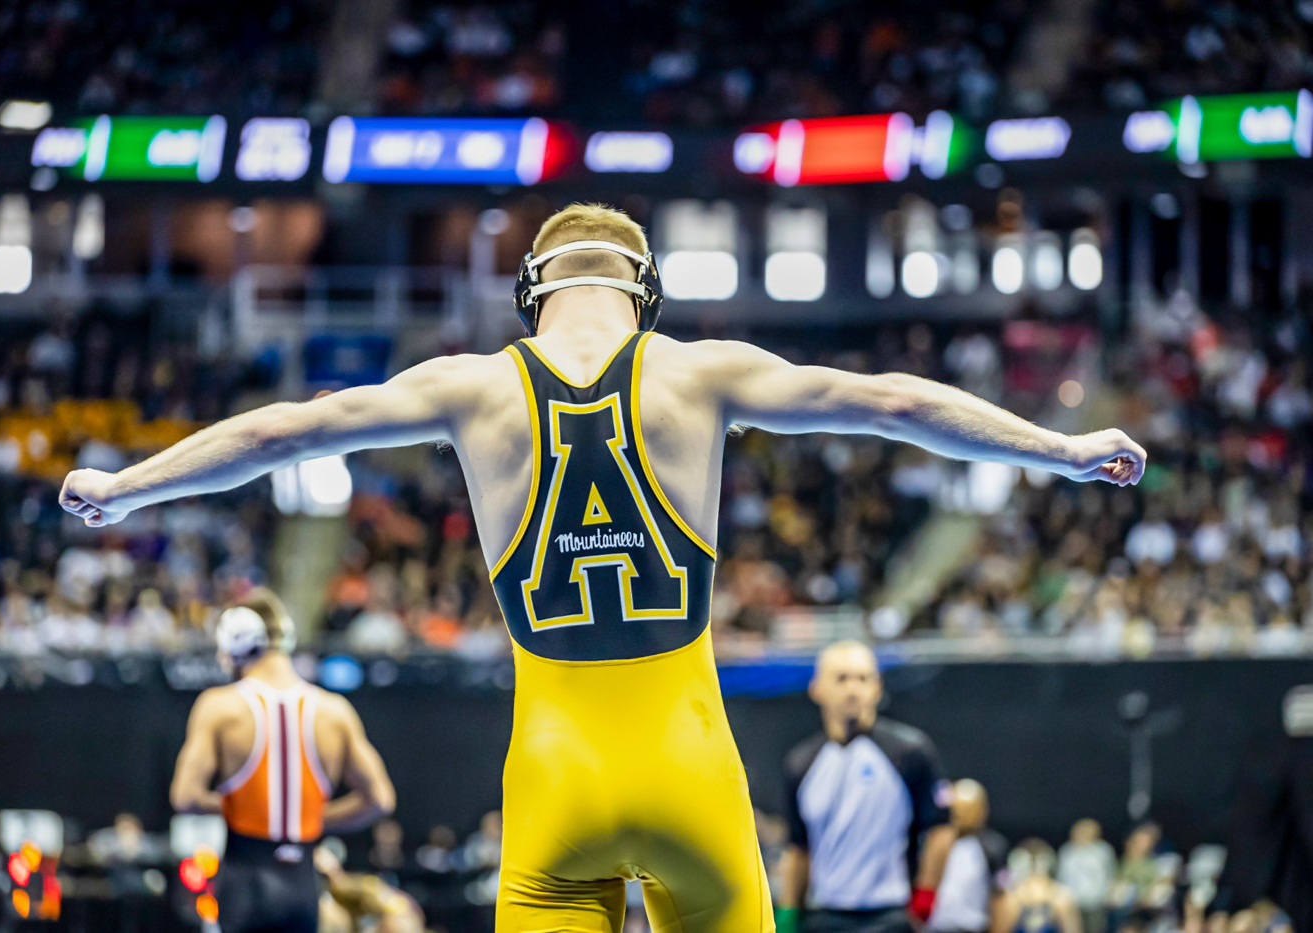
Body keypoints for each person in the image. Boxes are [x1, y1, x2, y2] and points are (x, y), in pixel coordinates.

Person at [61, 202, 1146, 933]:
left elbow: (281, 431)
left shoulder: (469, 387)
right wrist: (1059, 449)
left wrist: (125, 487)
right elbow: (895, 404)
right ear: (645, 288)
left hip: (554, 777)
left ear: (531, 289)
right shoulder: (700, 373)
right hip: (690, 770)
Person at [168, 587, 396, 933]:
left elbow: (185, 797)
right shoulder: (335, 712)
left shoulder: (220, 707)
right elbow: (380, 800)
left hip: (246, 885)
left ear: (236, 639)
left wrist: (243, 807)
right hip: (303, 888)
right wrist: (308, 817)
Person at [778, 641, 954, 933]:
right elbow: (798, 847)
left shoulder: (909, 752)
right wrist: (789, 911)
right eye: (842, 678)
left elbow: (941, 829)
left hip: (889, 916)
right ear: (816, 688)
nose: (853, 689)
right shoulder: (800, 763)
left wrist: (925, 897)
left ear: (878, 688)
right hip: (824, 917)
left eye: (863, 678)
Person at [928, 780, 1009, 933]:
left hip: (973, 926)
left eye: (969, 809)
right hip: (938, 926)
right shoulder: (939, 841)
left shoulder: (992, 847)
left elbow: (1000, 896)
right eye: (958, 809)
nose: (962, 815)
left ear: (982, 811)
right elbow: (927, 883)